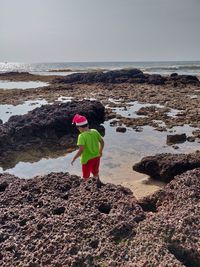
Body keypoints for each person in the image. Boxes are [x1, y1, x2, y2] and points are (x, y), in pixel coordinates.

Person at [71, 114, 104, 181]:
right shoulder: (95, 131)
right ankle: (98, 185)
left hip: (87, 160)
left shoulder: (81, 136)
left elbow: (81, 150)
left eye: (77, 128)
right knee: (95, 173)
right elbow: (102, 142)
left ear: (80, 127)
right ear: (87, 125)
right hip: (97, 157)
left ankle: (87, 189)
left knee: (86, 176)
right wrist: (100, 151)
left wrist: (74, 158)